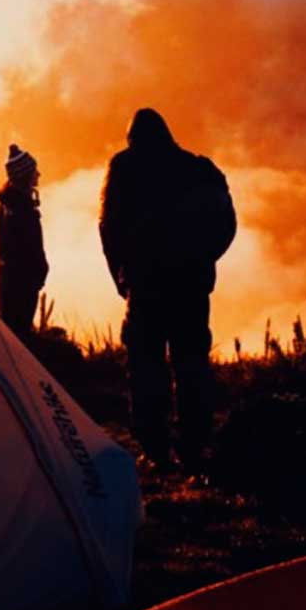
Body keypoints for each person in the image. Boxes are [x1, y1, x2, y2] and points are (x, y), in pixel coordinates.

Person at [99, 109, 237, 472]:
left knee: (146, 368)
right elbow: (226, 222)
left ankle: (155, 449)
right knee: (192, 364)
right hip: (190, 287)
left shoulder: (124, 169)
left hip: (145, 289)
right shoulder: (199, 169)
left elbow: (108, 227)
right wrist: (205, 260)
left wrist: (121, 278)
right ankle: (194, 445)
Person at [0, 144, 48, 336]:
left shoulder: (8, 204)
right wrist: (39, 273)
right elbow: (31, 248)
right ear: (25, 176)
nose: (38, 175)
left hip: (10, 281)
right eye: (34, 171)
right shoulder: (21, 209)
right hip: (21, 285)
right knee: (19, 335)